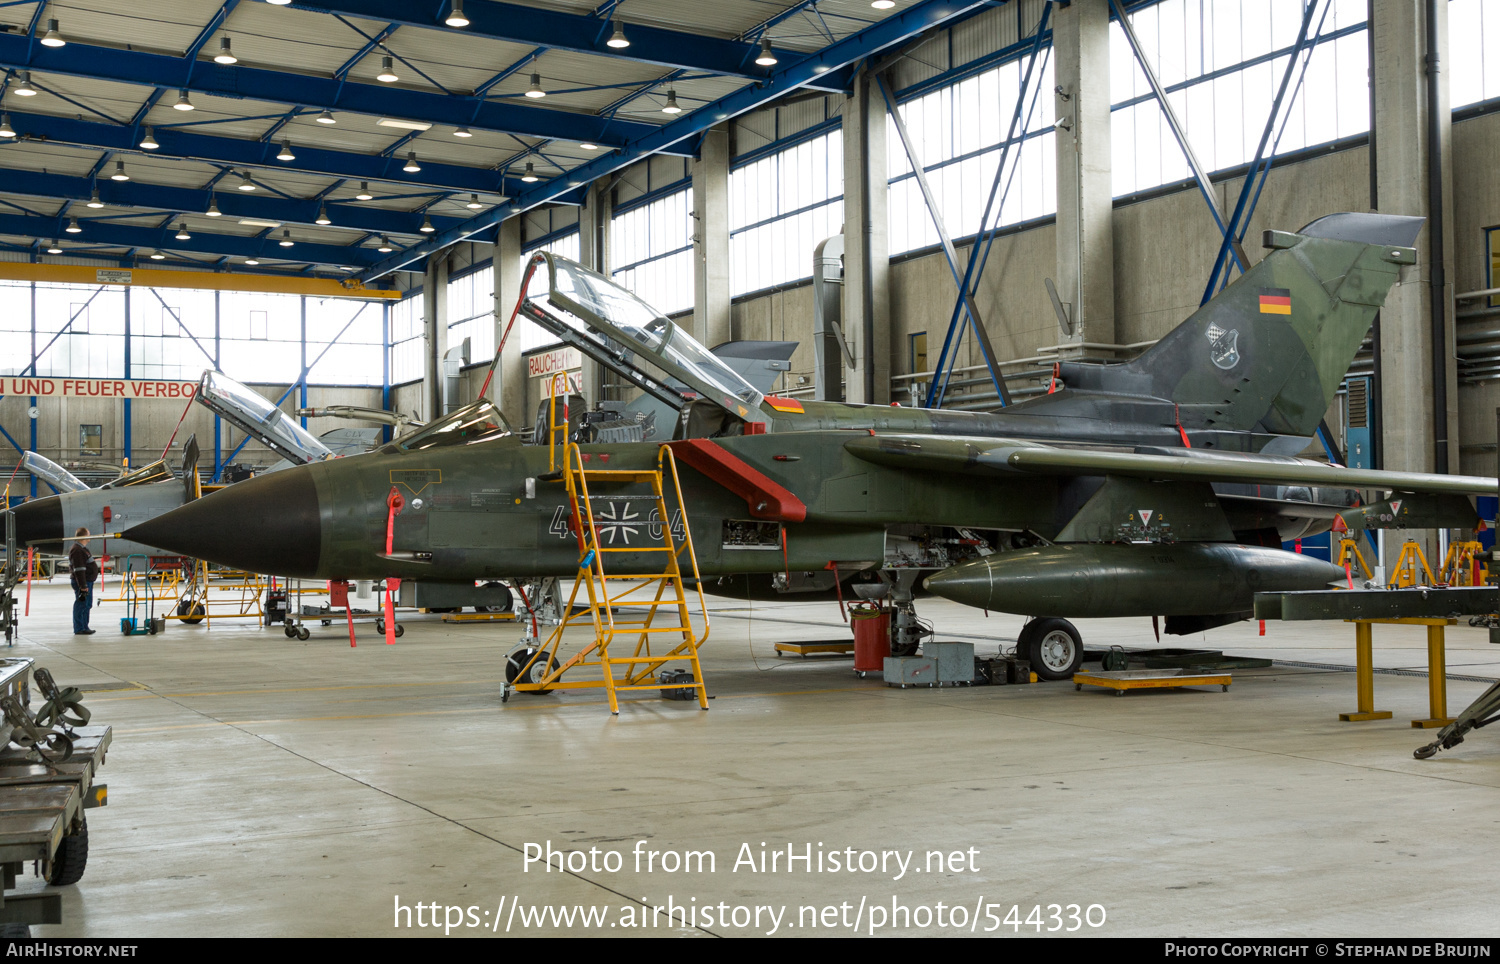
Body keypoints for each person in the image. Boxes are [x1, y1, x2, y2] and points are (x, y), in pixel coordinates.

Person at [69, 527, 97, 636]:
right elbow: (79, 569)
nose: (90, 536)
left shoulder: (82, 549)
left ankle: (84, 626)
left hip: (87, 581)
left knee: (87, 604)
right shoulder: (77, 550)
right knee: (81, 604)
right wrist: (83, 585)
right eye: (88, 534)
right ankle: (79, 628)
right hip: (83, 582)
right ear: (84, 536)